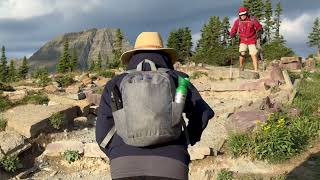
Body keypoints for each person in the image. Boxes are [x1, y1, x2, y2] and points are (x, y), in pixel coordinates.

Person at [96, 32, 214, 180]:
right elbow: (203, 112)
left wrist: (116, 151)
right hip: (172, 163)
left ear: (133, 56)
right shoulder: (178, 79)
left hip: (123, 163)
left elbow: (102, 130)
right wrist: (186, 140)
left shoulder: (116, 82)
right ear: (164, 55)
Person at [230, 7, 263, 72]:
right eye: (241, 15)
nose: (242, 16)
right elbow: (234, 29)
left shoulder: (253, 20)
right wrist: (232, 34)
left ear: (246, 13)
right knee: (242, 52)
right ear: (239, 15)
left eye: (244, 14)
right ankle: (241, 66)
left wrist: (259, 32)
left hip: (252, 39)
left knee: (253, 54)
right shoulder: (237, 21)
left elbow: (259, 27)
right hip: (242, 40)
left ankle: (256, 70)